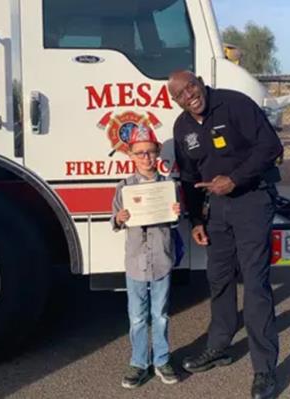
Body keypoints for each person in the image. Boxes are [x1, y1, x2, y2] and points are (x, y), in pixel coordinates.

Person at [168, 70, 283, 399]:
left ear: (201, 82)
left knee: (255, 283)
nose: (189, 94)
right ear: (175, 101)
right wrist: (196, 220)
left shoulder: (235, 104)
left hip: (252, 200)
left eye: (191, 85)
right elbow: (189, 178)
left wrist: (235, 179)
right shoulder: (183, 127)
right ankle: (218, 346)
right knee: (218, 278)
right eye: (180, 93)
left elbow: (271, 146)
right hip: (216, 210)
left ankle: (264, 370)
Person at [110, 125, 181, 389]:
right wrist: (119, 218)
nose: (146, 158)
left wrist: (175, 212)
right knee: (137, 316)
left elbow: (174, 223)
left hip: (161, 259)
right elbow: (114, 220)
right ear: (131, 155)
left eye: (150, 152)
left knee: (160, 313)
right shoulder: (124, 187)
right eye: (140, 153)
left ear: (158, 153)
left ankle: (161, 359)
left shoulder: (168, 185)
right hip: (135, 262)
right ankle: (139, 362)